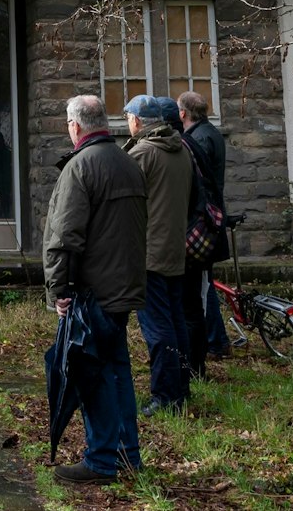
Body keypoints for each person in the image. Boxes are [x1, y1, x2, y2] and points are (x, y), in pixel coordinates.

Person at [44, 94, 147, 484]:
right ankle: (127, 455)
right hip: (122, 288)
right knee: (117, 372)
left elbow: (64, 237)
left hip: (93, 293)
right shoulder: (127, 161)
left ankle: (102, 460)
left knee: (91, 374)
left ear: (75, 126)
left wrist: (59, 290)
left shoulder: (81, 167)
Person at [122, 95, 194, 415]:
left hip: (148, 253)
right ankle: (181, 390)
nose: (127, 124)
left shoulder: (143, 153)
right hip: (175, 250)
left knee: (157, 328)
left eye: (128, 118)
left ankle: (165, 397)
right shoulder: (181, 151)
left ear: (137, 121)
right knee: (176, 322)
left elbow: (121, 201)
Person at [178, 90, 229, 360]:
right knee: (203, 284)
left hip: (204, 222)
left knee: (202, 286)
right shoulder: (210, 133)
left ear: (183, 113)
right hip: (210, 218)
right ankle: (215, 339)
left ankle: (216, 340)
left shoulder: (198, 139)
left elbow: (201, 185)